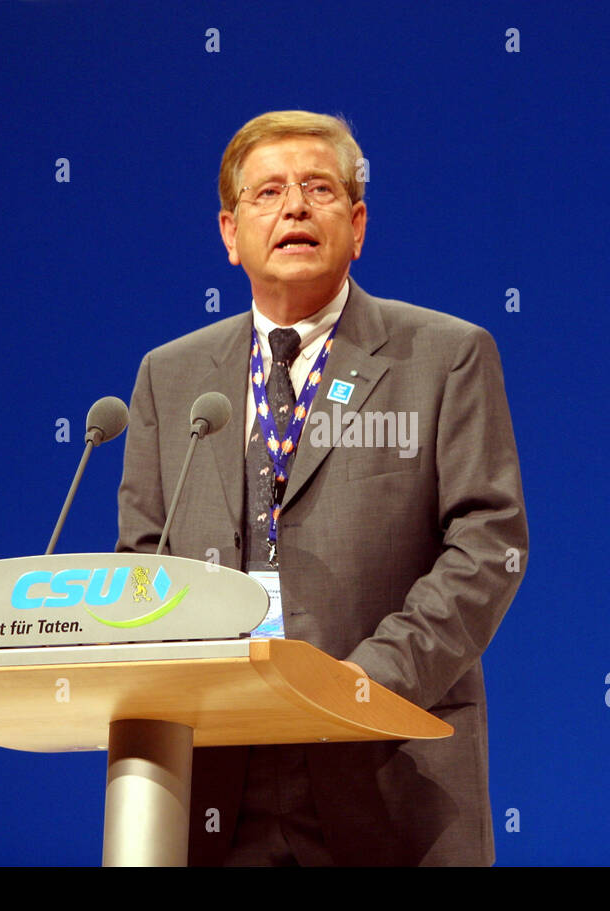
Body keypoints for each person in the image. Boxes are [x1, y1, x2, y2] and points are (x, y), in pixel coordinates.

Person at [116, 109, 527, 865]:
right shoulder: (168, 379)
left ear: (359, 223)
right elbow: (144, 562)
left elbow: (487, 547)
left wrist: (365, 682)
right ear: (230, 234)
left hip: (387, 764)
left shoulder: (447, 357)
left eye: (319, 189)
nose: (295, 208)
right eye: (267, 193)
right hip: (217, 778)